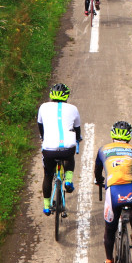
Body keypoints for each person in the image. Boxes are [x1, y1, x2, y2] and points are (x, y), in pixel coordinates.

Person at [95, 121, 132, 263]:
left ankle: (109, 260)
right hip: (131, 188)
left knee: (109, 229)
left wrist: (99, 181)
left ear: (112, 135)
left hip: (113, 190)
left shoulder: (103, 149)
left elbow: (97, 171)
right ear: (129, 137)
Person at [36, 83, 82, 216]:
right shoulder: (73, 108)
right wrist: (78, 139)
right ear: (66, 96)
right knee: (69, 156)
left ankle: (46, 206)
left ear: (51, 95)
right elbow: (77, 129)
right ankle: (68, 180)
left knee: (48, 175)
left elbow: (41, 126)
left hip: (49, 149)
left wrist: (44, 138)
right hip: (67, 148)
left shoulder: (43, 107)